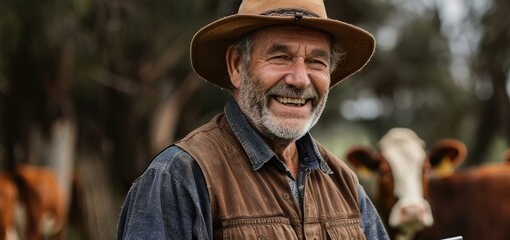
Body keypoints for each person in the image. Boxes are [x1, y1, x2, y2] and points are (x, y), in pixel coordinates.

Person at [116, 0, 388, 239]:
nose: (300, 79)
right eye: (281, 57)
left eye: (317, 62)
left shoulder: (343, 182)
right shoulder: (178, 177)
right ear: (236, 65)